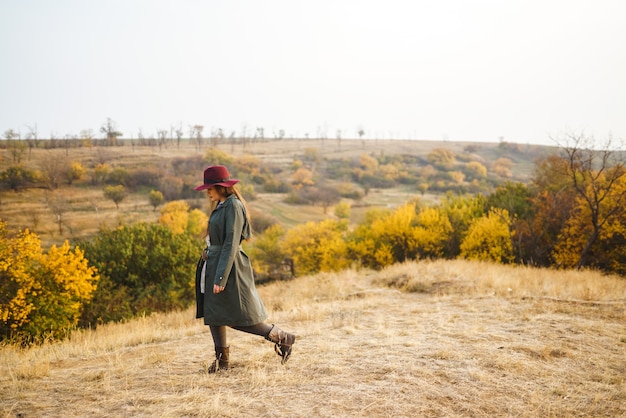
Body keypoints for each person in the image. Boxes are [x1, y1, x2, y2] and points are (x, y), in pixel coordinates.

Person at [194, 165, 296, 373]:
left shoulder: (233, 206)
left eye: (210, 187)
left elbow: (231, 243)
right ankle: (222, 362)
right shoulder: (221, 205)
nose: (207, 192)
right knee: (214, 313)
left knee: (238, 317)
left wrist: (221, 277)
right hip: (213, 264)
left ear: (221, 187)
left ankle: (283, 338)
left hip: (229, 268)